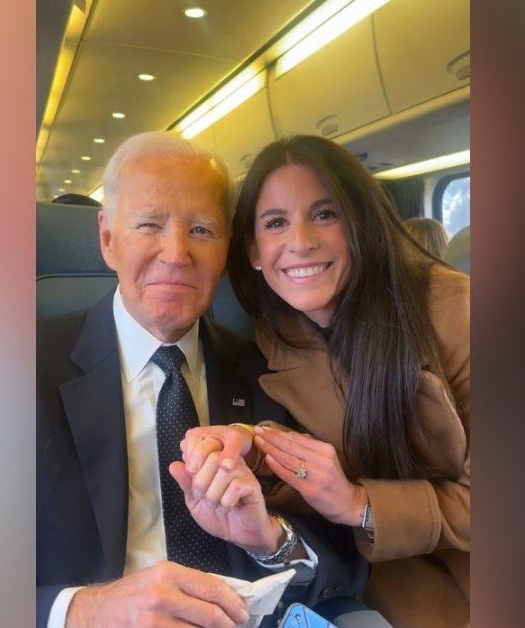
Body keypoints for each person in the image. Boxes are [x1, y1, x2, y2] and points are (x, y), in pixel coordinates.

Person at [36, 132, 367, 628]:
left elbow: (341, 563)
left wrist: (269, 539)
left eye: (202, 230)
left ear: (228, 248)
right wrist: (82, 609)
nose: (175, 253)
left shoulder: (273, 373)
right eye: (150, 224)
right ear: (107, 239)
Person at [182, 135, 471, 626]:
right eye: (276, 223)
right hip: (383, 583)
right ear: (253, 250)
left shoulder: (458, 312)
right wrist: (254, 449)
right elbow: (325, 468)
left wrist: (361, 504)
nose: (301, 242)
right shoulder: (276, 340)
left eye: (324, 214)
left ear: (360, 224)